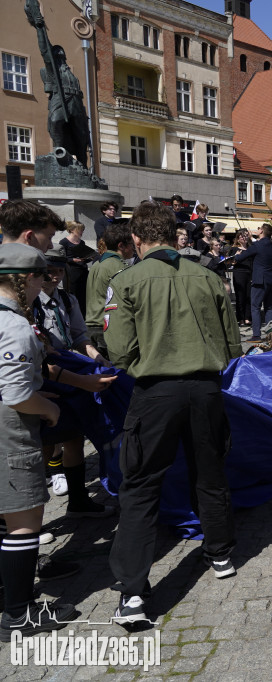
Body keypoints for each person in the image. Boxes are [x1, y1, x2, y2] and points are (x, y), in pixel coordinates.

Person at [105, 201, 241, 625]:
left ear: (138, 240)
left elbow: (119, 349)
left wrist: (150, 361)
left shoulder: (126, 280)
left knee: (142, 485)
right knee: (210, 471)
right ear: (174, 233)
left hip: (156, 391)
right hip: (205, 388)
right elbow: (232, 342)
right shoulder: (207, 275)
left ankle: (132, 592)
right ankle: (220, 555)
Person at [0, 243, 79, 641]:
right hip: (10, 428)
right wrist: (46, 409)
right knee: (23, 522)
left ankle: (6, 594)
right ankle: (17, 613)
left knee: (4, 517)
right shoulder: (13, 324)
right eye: (41, 277)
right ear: (25, 278)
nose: (44, 284)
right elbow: (14, 394)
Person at [34, 248, 116, 515]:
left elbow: (80, 338)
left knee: (74, 438)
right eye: (50, 272)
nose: (56, 277)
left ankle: (78, 500)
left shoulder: (68, 300)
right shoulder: (29, 304)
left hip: (71, 376)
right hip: (45, 378)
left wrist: (97, 357)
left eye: (60, 272)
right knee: (44, 442)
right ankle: (29, 514)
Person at [84, 222, 135, 356]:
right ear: (121, 246)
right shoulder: (119, 267)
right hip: (106, 327)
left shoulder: (98, 263)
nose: (134, 249)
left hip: (91, 324)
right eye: (131, 245)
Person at [231, 224, 272, 342]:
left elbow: (242, 257)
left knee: (255, 307)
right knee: (269, 307)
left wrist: (237, 256)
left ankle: (256, 335)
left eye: (259, 229)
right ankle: (270, 335)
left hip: (260, 280)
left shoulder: (257, 245)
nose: (257, 230)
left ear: (262, 231)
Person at [58, 221, 95, 316]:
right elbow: (61, 258)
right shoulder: (64, 242)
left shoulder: (81, 242)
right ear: (71, 230)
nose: (82, 232)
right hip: (71, 272)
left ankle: (83, 315)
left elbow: (84, 256)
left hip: (83, 271)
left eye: (83, 229)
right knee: (73, 294)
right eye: (80, 229)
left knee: (84, 294)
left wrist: (89, 258)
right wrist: (73, 260)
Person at [229, 230, 253, 327]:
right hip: (239, 273)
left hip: (249, 273)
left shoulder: (251, 249)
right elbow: (231, 262)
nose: (244, 238)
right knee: (240, 296)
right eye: (242, 236)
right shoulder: (234, 249)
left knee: (249, 296)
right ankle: (241, 318)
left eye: (246, 236)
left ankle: (248, 317)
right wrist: (236, 256)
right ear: (238, 238)